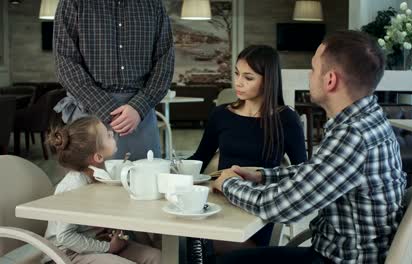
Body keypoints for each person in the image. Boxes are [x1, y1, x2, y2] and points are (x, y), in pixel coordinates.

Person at [212, 30, 407, 264]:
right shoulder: (367, 119)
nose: (309, 75)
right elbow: (318, 171)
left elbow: (280, 207)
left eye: (313, 68)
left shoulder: (353, 136)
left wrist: (228, 183)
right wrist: (261, 176)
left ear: (330, 80)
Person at [189, 45, 307, 252]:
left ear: (268, 80)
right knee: (179, 239)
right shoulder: (221, 115)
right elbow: (199, 159)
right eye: (236, 74)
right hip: (219, 203)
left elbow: (302, 174)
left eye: (248, 77)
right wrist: (168, 170)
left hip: (258, 212)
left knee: (194, 245)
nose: (238, 82)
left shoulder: (287, 119)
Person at [53, 0, 175, 160]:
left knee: (146, 181)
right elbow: (65, 63)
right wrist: (107, 109)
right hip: (89, 118)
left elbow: (164, 62)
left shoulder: (154, 4)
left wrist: (138, 107)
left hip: (140, 118)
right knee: (89, 184)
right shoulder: (73, 2)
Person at [44, 116, 161, 264]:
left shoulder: (102, 175)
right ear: (98, 156)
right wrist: (107, 247)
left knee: (158, 258)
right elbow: (65, 237)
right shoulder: (73, 186)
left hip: (97, 243)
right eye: (107, 134)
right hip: (65, 255)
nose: (112, 133)